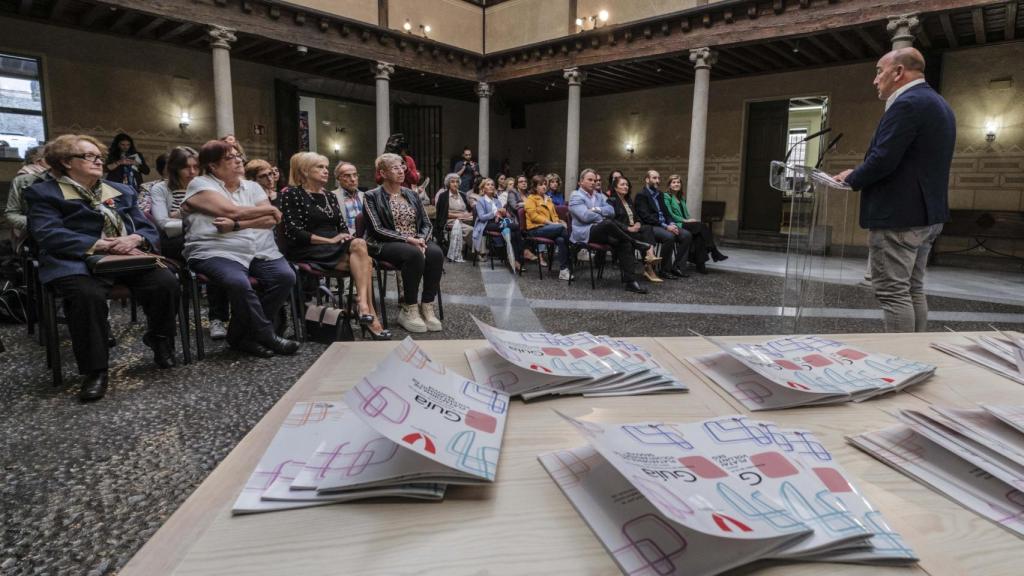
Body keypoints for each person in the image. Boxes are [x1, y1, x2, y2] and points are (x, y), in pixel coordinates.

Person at [25, 134, 180, 401]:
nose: (98, 160)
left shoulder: (122, 190)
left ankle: (159, 338)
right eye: (89, 156)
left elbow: (146, 227)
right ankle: (95, 371)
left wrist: (136, 238)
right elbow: (48, 234)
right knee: (87, 296)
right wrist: (99, 244)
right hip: (76, 260)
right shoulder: (44, 193)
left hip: (125, 256)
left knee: (165, 282)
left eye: (99, 156)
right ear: (65, 162)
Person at [834, 47, 955, 333]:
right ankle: (915, 355)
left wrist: (852, 179)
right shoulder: (939, 103)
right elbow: (907, 159)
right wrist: (857, 172)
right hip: (926, 214)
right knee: (913, 289)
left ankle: (901, 360)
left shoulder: (907, 103)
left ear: (898, 72)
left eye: (879, 71)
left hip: (899, 217)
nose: (875, 80)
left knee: (893, 293)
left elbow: (883, 159)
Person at [182, 139, 299, 357]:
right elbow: (231, 210)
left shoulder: (252, 186)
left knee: (284, 277)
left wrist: (237, 224)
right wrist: (267, 211)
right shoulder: (200, 185)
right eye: (229, 158)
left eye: (238, 156)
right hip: (212, 251)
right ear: (213, 166)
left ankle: (241, 337)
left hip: (250, 249)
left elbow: (267, 220)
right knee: (237, 282)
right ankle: (266, 334)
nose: (238, 160)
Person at [280, 152, 389, 340]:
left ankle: (363, 306)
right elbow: (294, 232)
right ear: (305, 171)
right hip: (307, 247)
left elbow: (341, 227)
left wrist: (340, 238)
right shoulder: (292, 194)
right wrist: (329, 240)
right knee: (366, 261)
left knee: (361, 250)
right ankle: (369, 314)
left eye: (326, 167)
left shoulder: (329, 196)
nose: (325, 171)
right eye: (320, 167)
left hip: (335, 247)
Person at [363, 152, 444, 333]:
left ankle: (427, 306)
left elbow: (426, 223)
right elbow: (376, 229)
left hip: (415, 240)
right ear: (382, 173)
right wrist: (409, 240)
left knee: (436, 253)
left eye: (402, 166)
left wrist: (422, 239)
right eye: (395, 167)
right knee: (413, 254)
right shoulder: (371, 196)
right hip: (384, 243)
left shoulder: (411, 194)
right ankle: (409, 309)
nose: (401, 171)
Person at [569, 168, 649, 294]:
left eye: (594, 180)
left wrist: (595, 210)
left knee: (623, 242)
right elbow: (584, 216)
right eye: (590, 180)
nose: (593, 182)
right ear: (581, 182)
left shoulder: (599, 196)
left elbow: (611, 212)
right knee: (607, 223)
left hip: (603, 230)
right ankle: (635, 242)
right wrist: (601, 213)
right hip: (585, 232)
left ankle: (630, 282)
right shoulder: (575, 196)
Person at [663, 174, 727, 273]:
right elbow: (669, 214)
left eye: (678, 182)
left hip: (684, 222)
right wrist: (685, 220)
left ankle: (701, 264)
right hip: (676, 224)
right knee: (702, 226)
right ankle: (714, 251)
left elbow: (686, 214)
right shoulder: (666, 196)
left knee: (698, 236)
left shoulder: (681, 198)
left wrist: (690, 219)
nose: (676, 184)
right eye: (674, 182)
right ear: (669, 185)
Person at [635, 170, 692, 279]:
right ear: (647, 180)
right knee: (669, 237)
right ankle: (664, 270)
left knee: (686, 235)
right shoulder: (641, 195)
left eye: (659, 178)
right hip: (652, 226)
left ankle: (677, 267)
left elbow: (666, 212)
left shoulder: (660, 194)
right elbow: (646, 217)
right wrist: (666, 226)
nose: (658, 180)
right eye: (654, 178)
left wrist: (671, 223)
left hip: (665, 224)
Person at [607, 175, 664, 283]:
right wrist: (628, 228)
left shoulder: (628, 200)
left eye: (627, 185)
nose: (626, 187)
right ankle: (649, 267)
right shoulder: (611, 201)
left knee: (647, 228)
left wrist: (637, 223)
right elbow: (611, 220)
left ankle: (650, 257)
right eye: (622, 185)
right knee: (643, 238)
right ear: (615, 188)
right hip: (621, 232)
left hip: (634, 230)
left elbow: (637, 216)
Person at [150, 146, 198, 260]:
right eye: (186, 167)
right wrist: (196, 218)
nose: (192, 172)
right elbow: (163, 224)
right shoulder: (160, 188)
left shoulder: (204, 187)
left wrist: (178, 214)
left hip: (202, 234)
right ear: (175, 168)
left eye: (196, 167)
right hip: (174, 239)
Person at [524, 174, 573, 281]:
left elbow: (554, 215)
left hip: (548, 229)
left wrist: (557, 222)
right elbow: (534, 217)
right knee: (561, 229)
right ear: (535, 187)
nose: (544, 187)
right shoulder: (531, 199)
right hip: (535, 229)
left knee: (560, 239)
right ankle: (574, 248)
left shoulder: (548, 199)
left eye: (545, 184)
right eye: (541, 185)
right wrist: (552, 224)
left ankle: (564, 271)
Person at [473, 178, 524, 274]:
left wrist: (503, 213)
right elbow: (482, 217)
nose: (491, 186)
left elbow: (501, 213)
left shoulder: (496, 200)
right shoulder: (481, 201)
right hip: (486, 224)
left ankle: (514, 258)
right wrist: (495, 213)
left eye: (492, 184)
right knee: (516, 227)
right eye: (488, 184)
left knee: (513, 234)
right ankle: (518, 258)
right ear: (483, 188)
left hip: (498, 223)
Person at [6, 145, 51, 251]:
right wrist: (36, 223)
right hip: (36, 234)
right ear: (39, 161)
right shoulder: (22, 180)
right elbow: (11, 213)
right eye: (51, 158)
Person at [433, 173, 472, 262]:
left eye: (457, 182)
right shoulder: (443, 196)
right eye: (452, 182)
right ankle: (479, 251)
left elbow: (469, 210)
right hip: (450, 220)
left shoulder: (462, 195)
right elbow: (443, 213)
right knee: (471, 230)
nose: (455, 184)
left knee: (479, 227)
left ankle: (475, 249)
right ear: (448, 184)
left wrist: (468, 215)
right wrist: (459, 216)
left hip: (465, 219)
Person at [329, 161, 364, 232]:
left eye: (355, 175)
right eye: (347, 176)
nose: (353, 179)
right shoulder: (331, 197)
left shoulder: (365, 196)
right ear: (338, 178)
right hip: (346, 236)